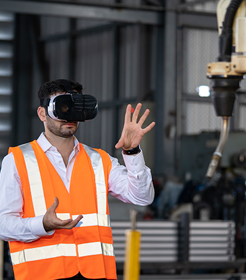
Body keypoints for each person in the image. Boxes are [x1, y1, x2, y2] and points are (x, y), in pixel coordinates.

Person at [0, 79, 156, 280]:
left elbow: (142, 197)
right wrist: (42, 224)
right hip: (42, 275)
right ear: (42, 114)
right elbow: (4, 225)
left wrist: (132, 151)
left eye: (75, 107)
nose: (69, 115)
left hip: (96, 274)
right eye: (62, 107)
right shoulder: (18, 160)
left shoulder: (99, 161)